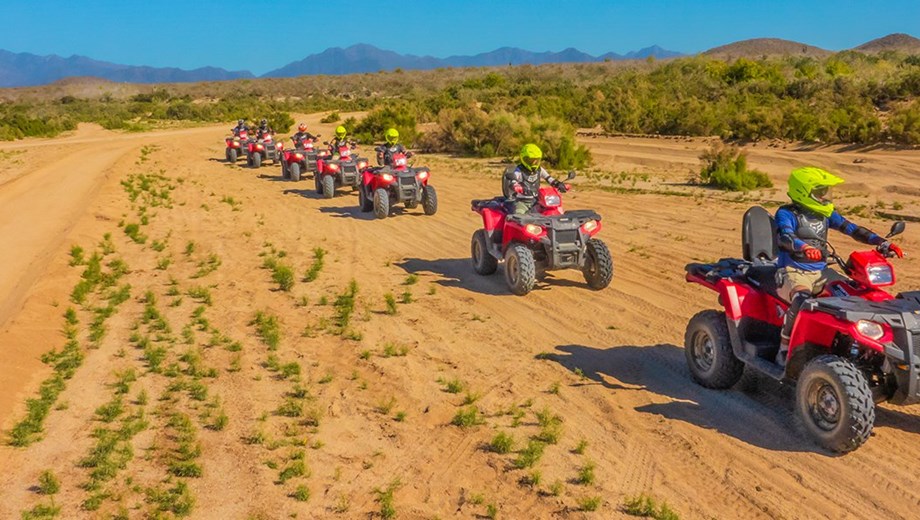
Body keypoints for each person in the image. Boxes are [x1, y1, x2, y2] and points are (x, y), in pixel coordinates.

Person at [774, 166, 903, 364]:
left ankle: (863, 345)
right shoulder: (786, 213)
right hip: (793, 272)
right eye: (820, 192)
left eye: (826, 192)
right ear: (803, 192)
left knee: (856, 294)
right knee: (802, 299)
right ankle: (784, 347)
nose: (825, 197)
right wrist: (804, 246)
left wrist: (881, 242)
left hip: (822, 272)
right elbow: (785, 236)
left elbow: (851, 228)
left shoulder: (825, 214)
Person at [504, 143, 565, 215]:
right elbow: (514, 180)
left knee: (556, 210)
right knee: (519, 217)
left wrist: (558, 184)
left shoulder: (539, 170)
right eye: (531, 160)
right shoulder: (519, 170)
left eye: (536, 160)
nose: (534, 163)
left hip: (538, 200)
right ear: (524, 159)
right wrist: (516, 186)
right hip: (522, 202)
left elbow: (549, 178)